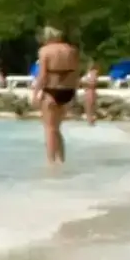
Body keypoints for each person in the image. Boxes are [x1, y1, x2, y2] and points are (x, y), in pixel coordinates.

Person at [35, 28, 86, 166]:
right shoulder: (72, 50)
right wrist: (74, 93)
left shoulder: (45, 51)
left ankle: (51, 162)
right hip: (68, 91)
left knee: (49, 128)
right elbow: (76, 74)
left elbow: (43, 75)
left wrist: (35, 93)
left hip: (51, 90)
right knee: (57, 128)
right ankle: (61, 160)